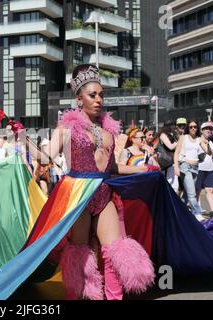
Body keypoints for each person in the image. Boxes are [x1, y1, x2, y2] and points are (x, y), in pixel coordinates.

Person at [27, 64, 154, 300]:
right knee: (80, 256)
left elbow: (112, 168)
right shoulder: (67, 127)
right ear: (79, 98)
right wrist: (23, 138)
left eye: (101, 95)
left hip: (104, 194)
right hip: (79, 196)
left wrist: (144, 168)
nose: (98, 100)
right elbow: (45, 157)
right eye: (92, 95)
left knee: (114, 252)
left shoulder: (109, 131)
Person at [174, 120, 209, 220]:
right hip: (185, 167)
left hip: (195, 168)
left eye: (195, 127)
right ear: (188, 128)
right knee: (192, 193)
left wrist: (208, 143)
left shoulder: (199, 139)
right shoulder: (183, 138)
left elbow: (208, 152)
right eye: (190, 127)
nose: (193, 128)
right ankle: (197, 214)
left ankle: (178, 212)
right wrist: (176, 167)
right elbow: (176, 153)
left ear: (197, 128)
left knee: (186, 194)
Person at [195, 121, 213, 216]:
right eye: (206, 129)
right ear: (202, 130)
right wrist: (206, 143)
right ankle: (194, 210)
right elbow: (208, 152)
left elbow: (211, 156)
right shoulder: (198, 140)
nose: (209, 130)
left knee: (210, 190)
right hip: (199, 168)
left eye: (210, 129)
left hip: (210, 169)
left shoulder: (211, 142)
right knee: (197, 190)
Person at [158, 121, 179, 192]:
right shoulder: (163, 135)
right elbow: (170, 147)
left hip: (172, 161)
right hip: (167, 160)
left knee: (174, 185)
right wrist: (178, 142)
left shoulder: (173, 134)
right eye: (173, 125)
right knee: (170, 182)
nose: (174, 127)